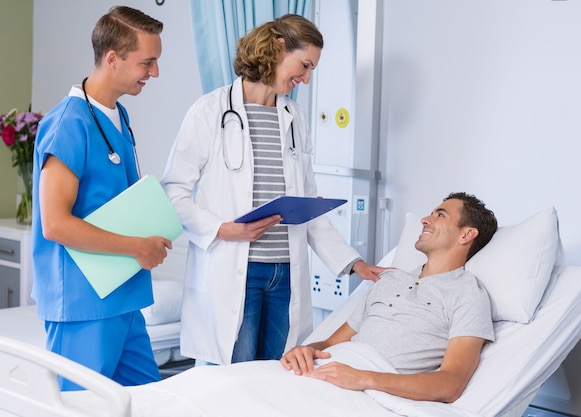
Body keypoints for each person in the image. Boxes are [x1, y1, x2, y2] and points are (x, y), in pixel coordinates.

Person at [161, 14, 385, 365]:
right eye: (304, 65)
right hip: (237, 268)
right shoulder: (209, 110)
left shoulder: (294, 116)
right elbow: (172, 192)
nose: (307, 79)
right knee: (233, 382)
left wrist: (354, 263)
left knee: (276, 378)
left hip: (285, 274)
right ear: (279, 48)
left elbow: (309, 205)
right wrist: (223, 229)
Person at [32, 6, 167, 391]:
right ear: (113, 59)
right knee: (81, 409)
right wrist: (137, 246)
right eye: (148, 62)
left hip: (123, 297)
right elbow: (55, 223)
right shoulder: (68, 123)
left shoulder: (117, 116)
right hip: (83, 303)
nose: (154, 73)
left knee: (148, 401)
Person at [280, 192, 498, 403]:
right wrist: (305, 350)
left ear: (466, 234)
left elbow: (451, 384)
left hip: (363, 389)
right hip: (326, 371)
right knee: (246, 382)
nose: (425, 220)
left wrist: (363, 378)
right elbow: (330, 343)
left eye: (440, 215)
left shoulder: (467, 293)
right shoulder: (390, 279)